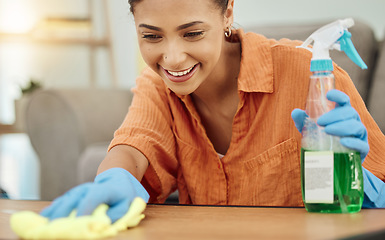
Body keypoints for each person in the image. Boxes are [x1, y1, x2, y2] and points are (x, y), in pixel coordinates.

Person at [41, 0, 385, 223]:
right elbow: (135, 144)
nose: (172, 58)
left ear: (228, 13)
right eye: (151, 36)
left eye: (192, 34)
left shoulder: (311, 77)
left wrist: (359, 177)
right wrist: (113, 179)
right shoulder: (157, 86)